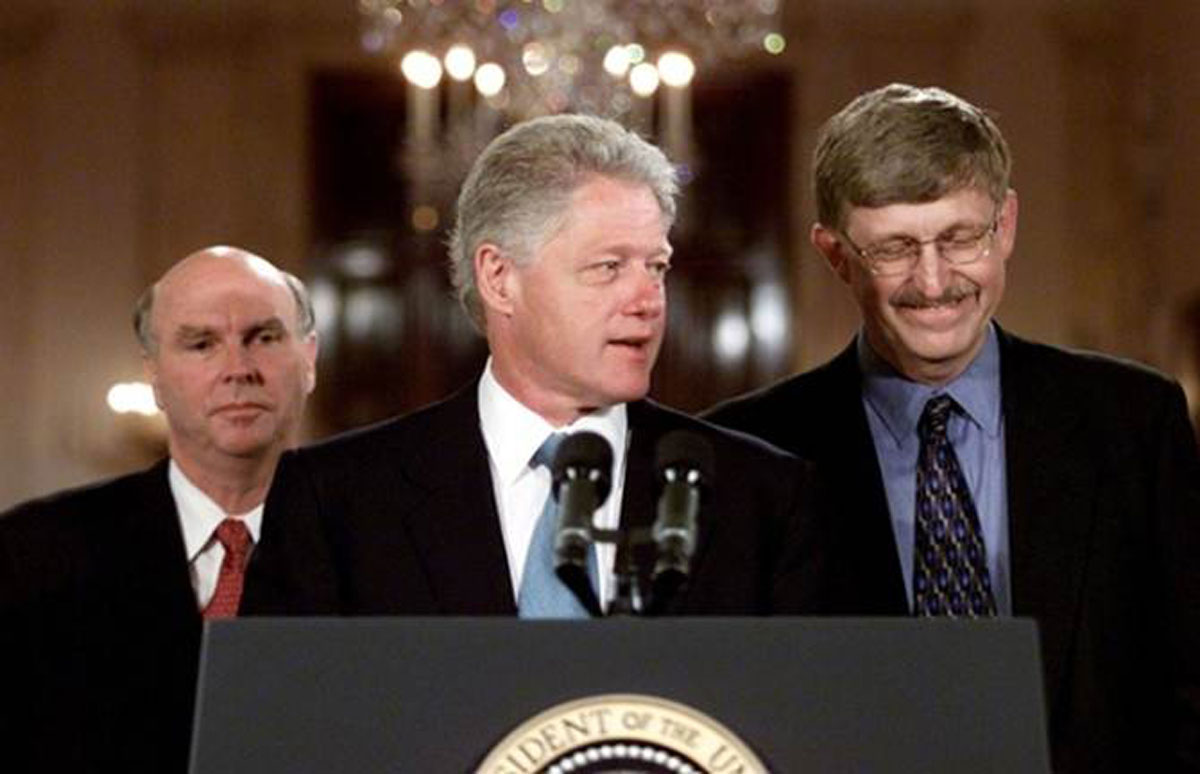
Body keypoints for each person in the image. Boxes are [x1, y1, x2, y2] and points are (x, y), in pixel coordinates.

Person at [704, 83, 1200, 772]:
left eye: (960, 238)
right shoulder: (741, 453)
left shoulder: (1134, 421)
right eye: (895, 249)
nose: (933, 282)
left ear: (1006, 227)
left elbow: (1190, 692)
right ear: (835, 254)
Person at [245, 114, 821, 619]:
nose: (648, 300)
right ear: (499, 277)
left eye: (658, 267)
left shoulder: (762, 496)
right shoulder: (337, 500)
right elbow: (281, 726)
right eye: (608, 267)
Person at [0, 246, 318, 772]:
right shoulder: (33, 555)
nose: (238, 369)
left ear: (309, 358)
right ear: (153, 373)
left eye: (264, 337)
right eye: (201, 344)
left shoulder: (382, 547)